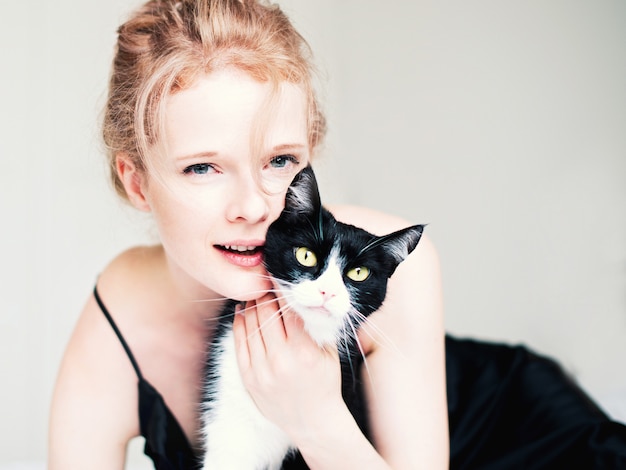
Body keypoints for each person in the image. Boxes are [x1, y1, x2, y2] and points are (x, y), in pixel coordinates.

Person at [48, 0, 449, 468]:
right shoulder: (119, 320)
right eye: (203, 167)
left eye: (280, 161)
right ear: (138, 183)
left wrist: (317, 420)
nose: (253, 207)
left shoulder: (394, 263)